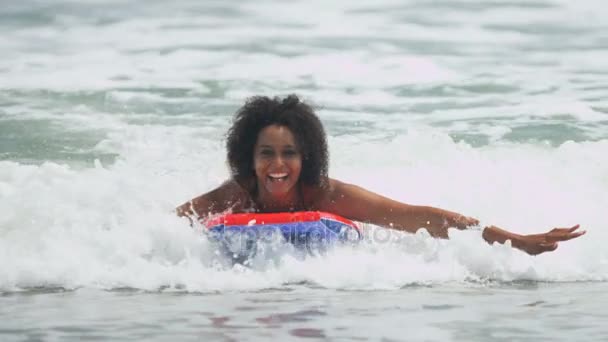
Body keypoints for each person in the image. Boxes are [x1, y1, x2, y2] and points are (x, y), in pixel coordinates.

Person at [176, 94, 585, 255]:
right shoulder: (234, 196)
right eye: (266, 154)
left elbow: (423, 218)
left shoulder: (328, 196)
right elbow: (164, 230)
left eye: (290, 154)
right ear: (249, 158)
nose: (278, 165)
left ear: (307, 158)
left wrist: (515, 240)